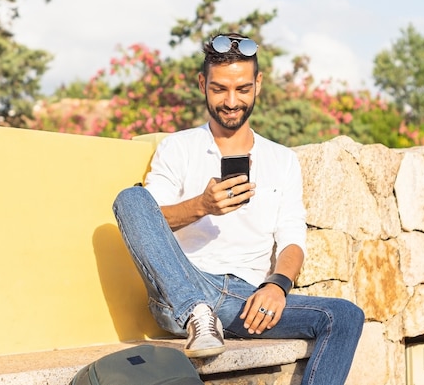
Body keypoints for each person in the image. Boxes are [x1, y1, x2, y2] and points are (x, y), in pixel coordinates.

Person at [112, 33, 364, 385]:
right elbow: (150, 221)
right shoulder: (178, 148)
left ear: (258, 84)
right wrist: (202, 206)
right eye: (219, 89)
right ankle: (198, 313)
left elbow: (292, 239)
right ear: (203, 84)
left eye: (242, 89)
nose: (231, 101)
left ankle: (211, 314)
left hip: (244, 302)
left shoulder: (283, 160)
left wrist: (277, 286)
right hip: (184, 290)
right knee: (131, 199)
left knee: (346, 316)